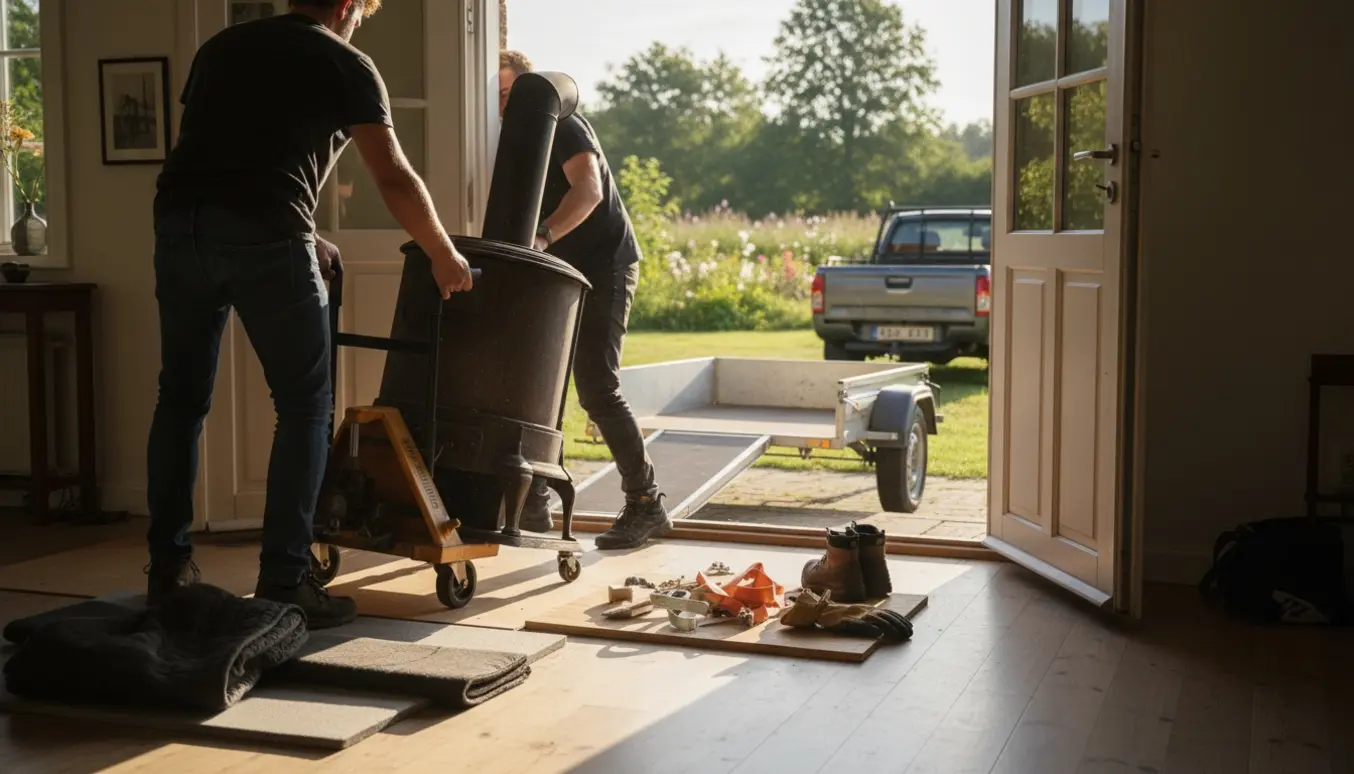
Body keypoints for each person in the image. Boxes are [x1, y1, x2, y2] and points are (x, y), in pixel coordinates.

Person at [146, 0, 474, 628]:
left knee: (180, 400)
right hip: (266, 234)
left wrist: (308, 230)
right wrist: (443, 253)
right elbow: (394, 175)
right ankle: (285, 580)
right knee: (304, 405)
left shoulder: (223, 47)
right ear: (349, 5)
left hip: (178, 227)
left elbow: (231, 152)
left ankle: (167, 572)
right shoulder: (346, 61)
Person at [498, 50, 672, 551]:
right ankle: (537, 500)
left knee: (595, 386)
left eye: (507, 95)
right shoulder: (504, 134)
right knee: (540, 383)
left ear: (530, 89)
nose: (501, 106)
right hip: (558, 268)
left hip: (605, 263)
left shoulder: (564, 123)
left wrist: (543, 238)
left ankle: (646, 503)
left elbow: (589, 191)